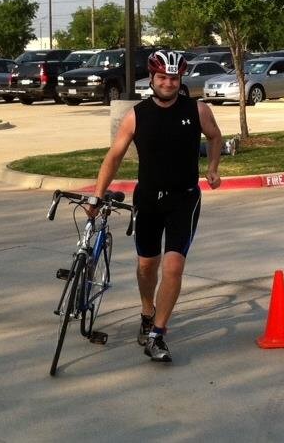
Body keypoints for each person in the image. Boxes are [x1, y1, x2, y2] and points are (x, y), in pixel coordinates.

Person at [87, 50, 222, 362]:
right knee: (147, 265)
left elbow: (215, 136)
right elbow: (114, 156)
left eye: (174, 78)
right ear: (152, 79)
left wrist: (212, 168)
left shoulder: (197, 109)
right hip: (147, 198)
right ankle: (148, 311)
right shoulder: (137, 115)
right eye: (162, 77)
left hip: (184, 198)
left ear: (180, 79)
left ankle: (157, 334)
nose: (168, 83)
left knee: (173, 265)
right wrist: (97, 194)